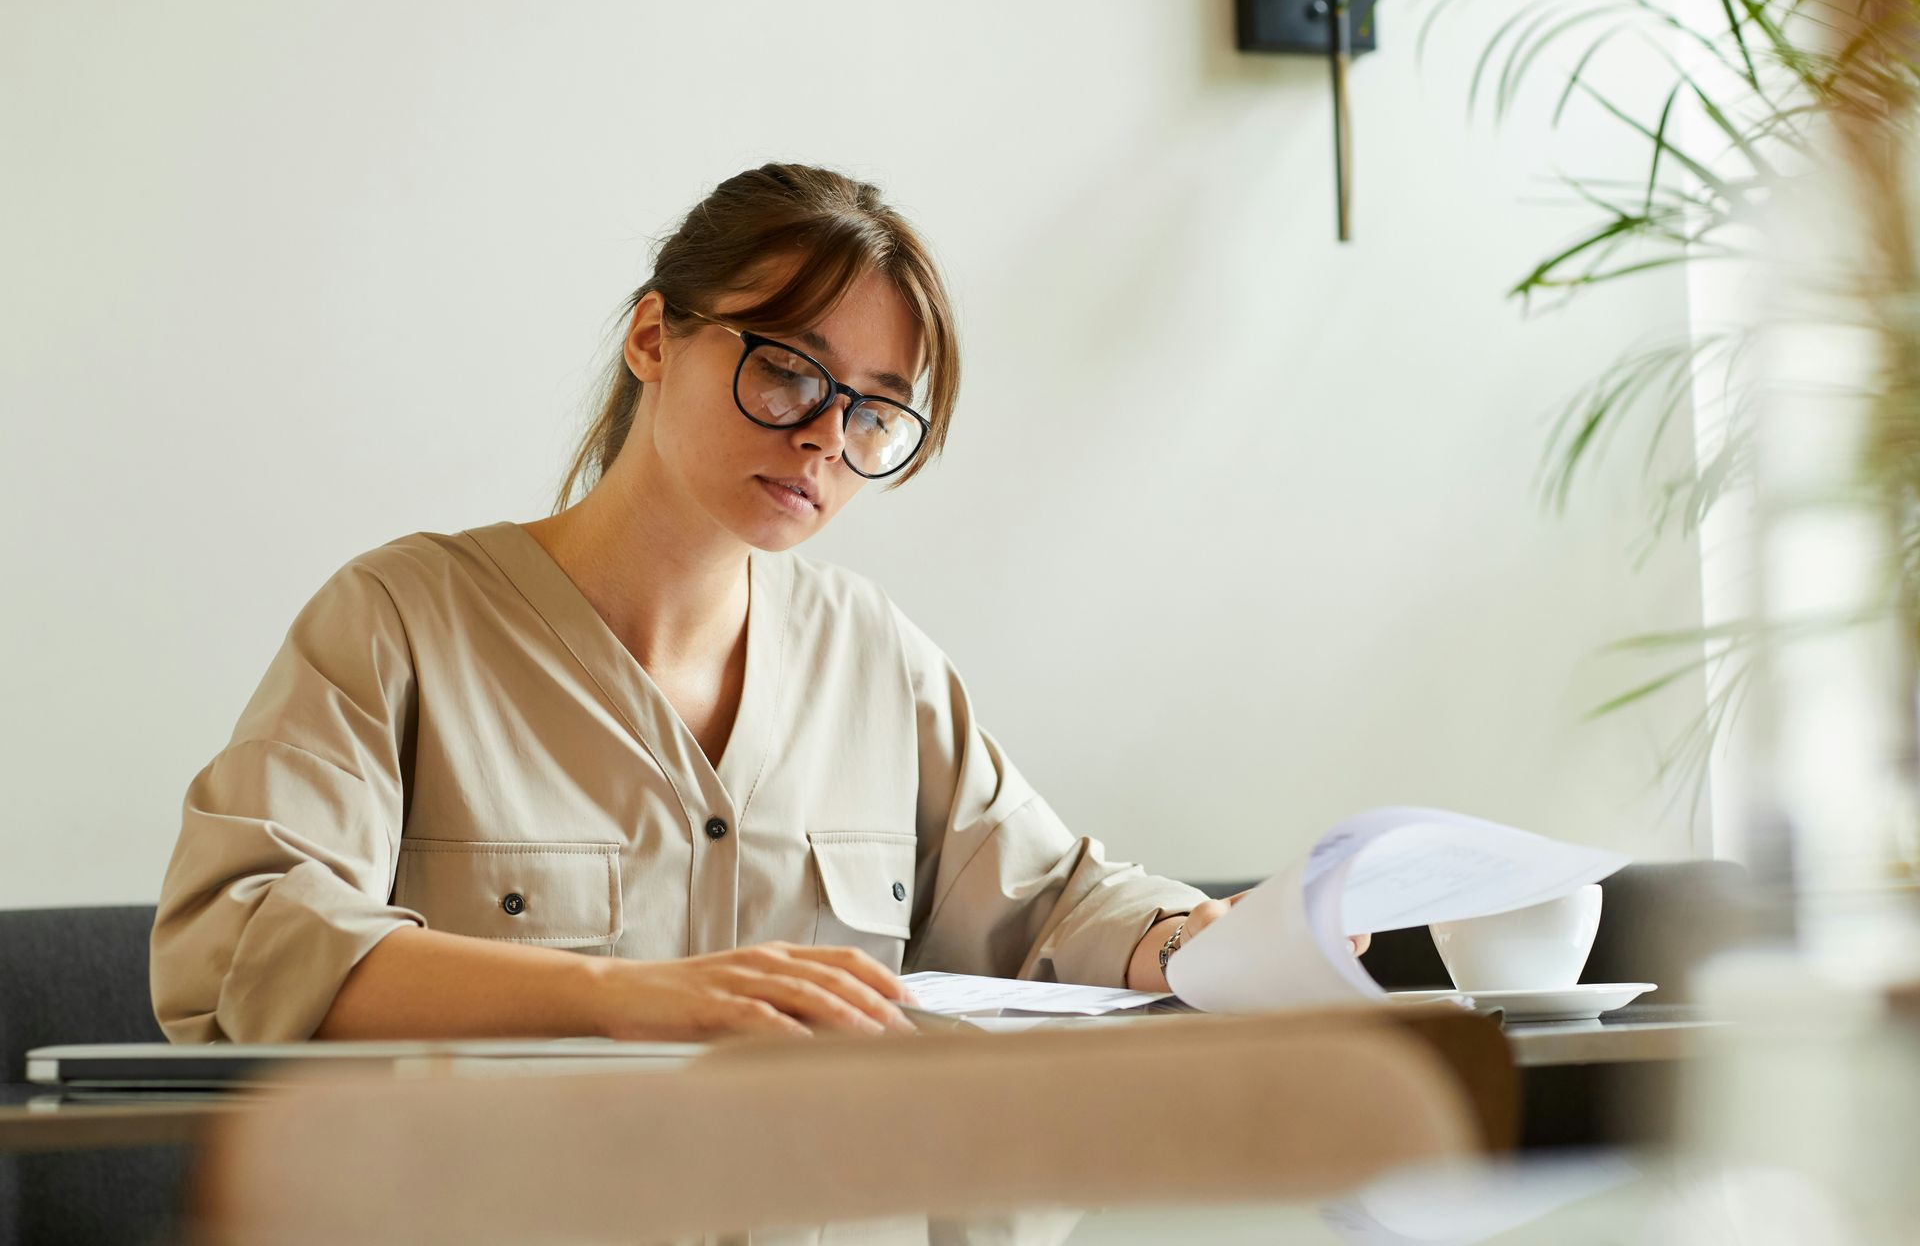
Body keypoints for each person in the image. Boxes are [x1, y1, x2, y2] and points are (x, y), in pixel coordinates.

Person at [150, 163, 1341, 1045]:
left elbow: (1051, 899)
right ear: (654, 337)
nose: (827, 433)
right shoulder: (400, 623)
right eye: (788, 367)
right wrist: (617, 998)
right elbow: (241, 939)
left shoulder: (877, 659)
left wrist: (1210, 938)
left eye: (874, 408)